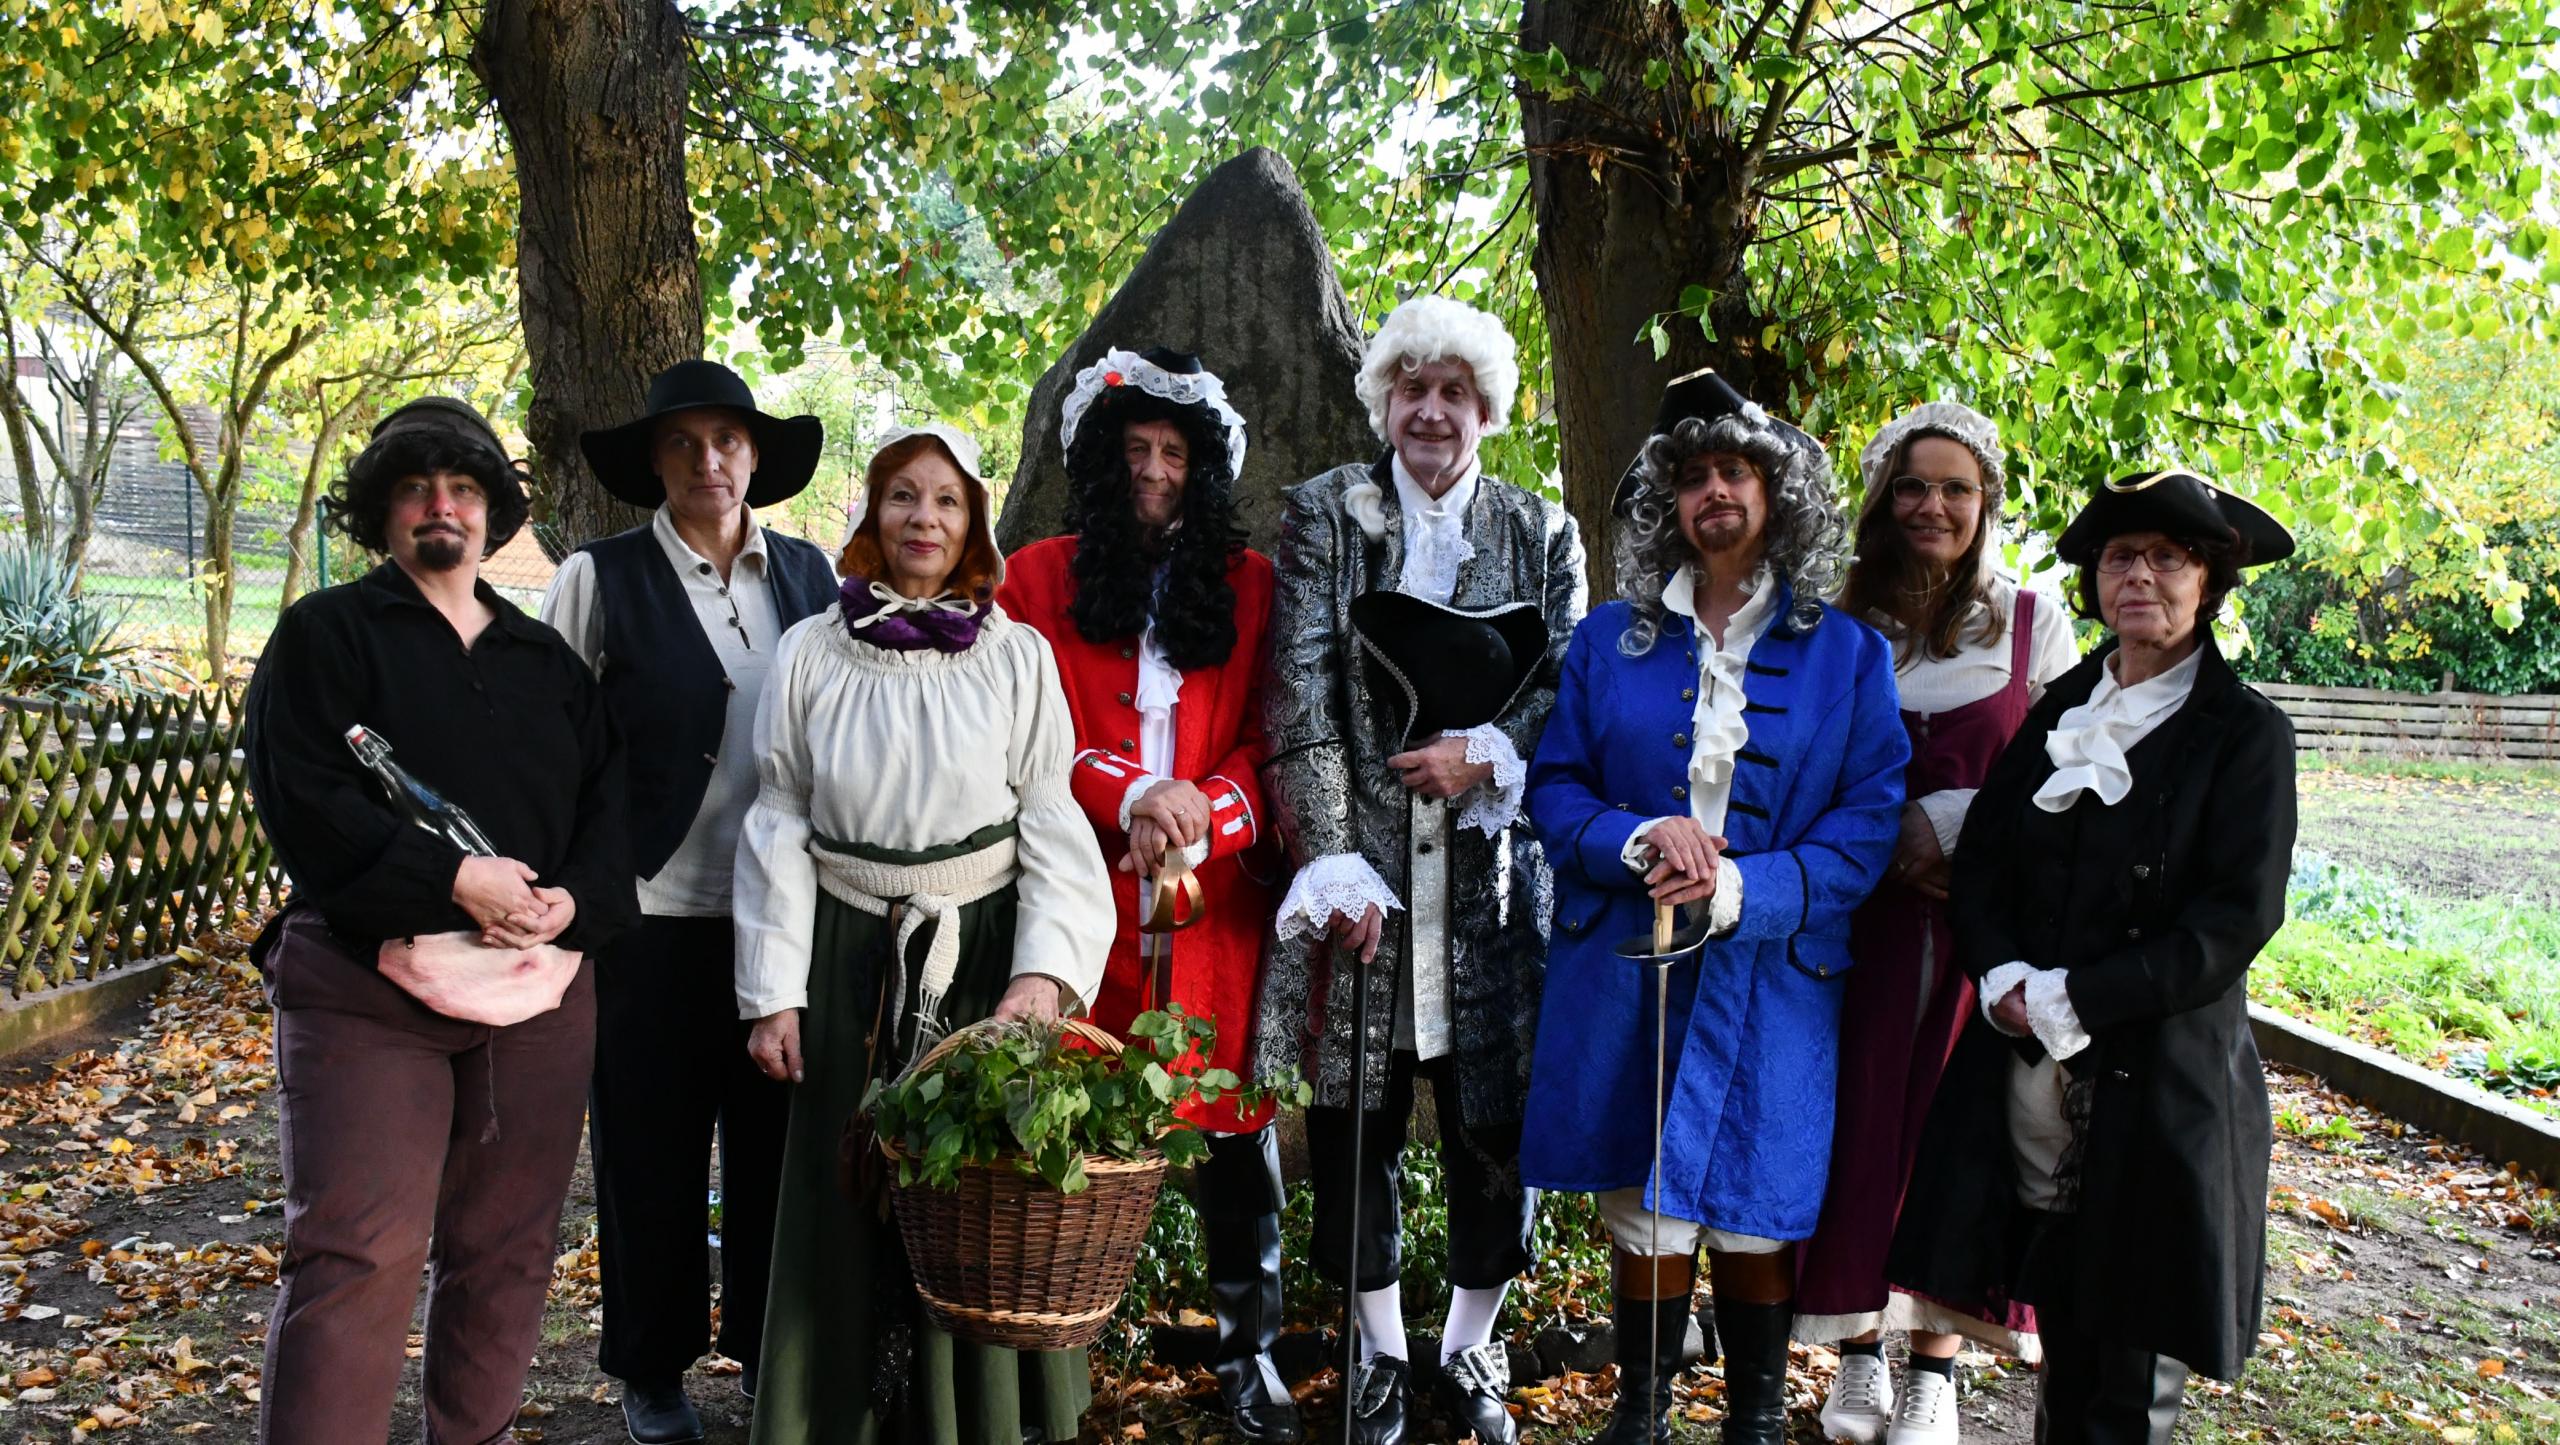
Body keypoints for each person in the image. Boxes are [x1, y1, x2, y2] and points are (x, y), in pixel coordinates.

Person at [1517, 369, 1906, 1445]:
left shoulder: (1848, 654)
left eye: (1735, 470)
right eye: (1692, 477)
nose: (1714, 492)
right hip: (1627, 958)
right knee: (1643, 1198)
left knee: (1751, 1197)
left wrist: (1742, 886)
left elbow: (1866, 825)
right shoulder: (1609, 639)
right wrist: (1642, 836)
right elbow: (1557, 787)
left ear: (1777, 493)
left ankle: (1755, 1422)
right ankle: (1639, 1416)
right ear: (1669, 503)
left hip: (1773, 969)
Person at [241, 396, 637, 1443]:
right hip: (368, 988)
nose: (440, 506)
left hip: (538, 993)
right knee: (357, 1252)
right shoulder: (324, 635)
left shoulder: (545, 661)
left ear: (492, 510)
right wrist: (456, 878)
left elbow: (607, 810)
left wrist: (573, 899)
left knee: (508, 1249)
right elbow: (305, 799)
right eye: (415, 488)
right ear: (383, 510)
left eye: (462, 487)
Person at [1888, 469, 2298, 1445]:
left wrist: (2074, 996)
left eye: (2168, 557)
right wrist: (2000, 976)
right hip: (2029, 1075)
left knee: (2130, 1369)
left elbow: (2233, 921)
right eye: (2120, 557)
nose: (2140, 576)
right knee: (2064, 1343)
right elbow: (1985, 863)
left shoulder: (2246, 733)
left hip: (2159, 1090)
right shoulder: (2061, 708)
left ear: (2208, 582)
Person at [732, 424, 1116, 1445]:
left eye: (947, 501)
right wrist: (773, 990)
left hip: (978, 950)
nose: (924, 518)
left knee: (976, 1187)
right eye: (904, 495)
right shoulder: (811, 651)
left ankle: (976, 1417)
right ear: (873, 511)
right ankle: (836, 1411)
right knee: (846, 1179)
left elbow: (1049, 814)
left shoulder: (1016, 656)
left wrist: (1043, 973)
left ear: (973, 523)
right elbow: (778, 815)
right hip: (844, 953)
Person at [1253, 294, 1584, 1445]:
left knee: (1496, 1123)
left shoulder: (1542, 531)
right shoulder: (1325, 514)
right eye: (1412, 387)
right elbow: (1299, 694)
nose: (1431, 410)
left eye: (1453, 391)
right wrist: (1334, 858)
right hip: (1370, 877)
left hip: (1494, 883)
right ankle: (1384, 1353)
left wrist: (1485, 753)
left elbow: (1568, 688)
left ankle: (1468, 1345)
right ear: (1384, 398)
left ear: (1485, 408)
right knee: (1362, 1119)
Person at [997, 347, 1298, 1442]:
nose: (1153, 470)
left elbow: (1274, 739)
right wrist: (1130, 794)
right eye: (1135, 449)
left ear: (1201, 465)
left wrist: (1203, 813)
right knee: (1066, 1124)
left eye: (1173, 451)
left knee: (1233, 1128)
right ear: (1101, 459)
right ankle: (1052, 1357)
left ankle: (1250, 1352)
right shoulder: (1034, 579)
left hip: (1214, 906)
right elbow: (1025, 734)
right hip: (1081, 895)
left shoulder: (1254, 585)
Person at [540, 360, 840, 1443]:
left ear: (755, 456)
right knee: (649, 1155)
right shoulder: (599, 575)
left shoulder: (810, 576)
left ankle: (764, 1351)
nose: (707, 460)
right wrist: (573, 896)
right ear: (655, 462)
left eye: (727, 439)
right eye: (682, 441)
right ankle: (652, 1364)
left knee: (774, 1152)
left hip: (782, 920)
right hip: (649, 915)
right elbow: (550, 743)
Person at [1793, 403, 2079, 1444]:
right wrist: (1884, 834)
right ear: (1882, 498)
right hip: (1855, 920)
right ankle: (1857, 1351)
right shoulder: (1835, 622)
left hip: (1977, 918)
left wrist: (1953, 821)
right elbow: (1799, 763)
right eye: (1912, 485)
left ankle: (1934, 1369)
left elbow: (2062, 771)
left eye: (1957, 488)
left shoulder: (2032, 622)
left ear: (1985, 502)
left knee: (1952, 1135)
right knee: (1857, 1126)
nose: (1933, 506)